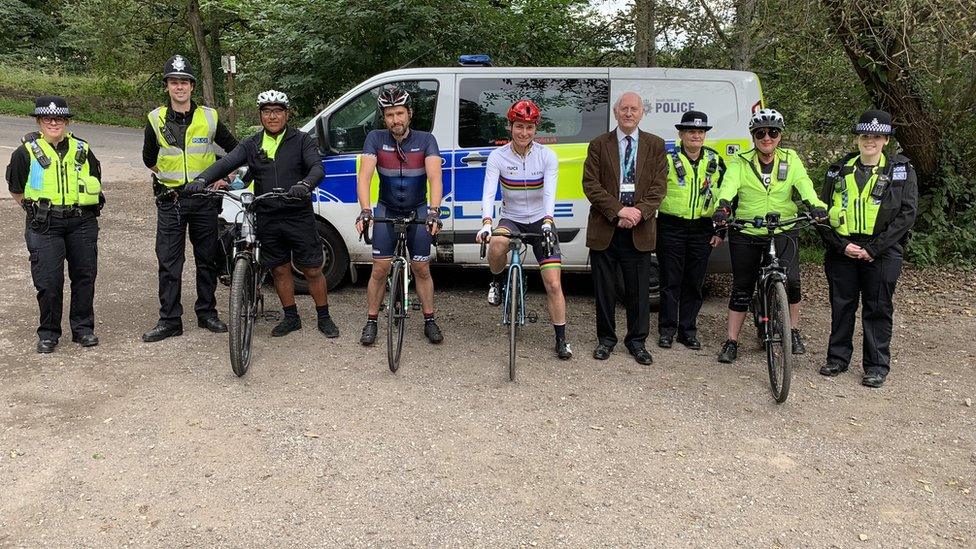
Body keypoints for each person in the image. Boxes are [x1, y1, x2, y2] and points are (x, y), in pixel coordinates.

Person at [188, 90, 338, 338]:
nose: (272, 116)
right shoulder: (252, 143)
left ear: (287, 114)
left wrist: (305, 185)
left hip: (297, 214)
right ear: (260, 115)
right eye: (267, 111)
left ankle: (324, 316)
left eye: (278, 111)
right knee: (279, 269)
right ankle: (291, 317)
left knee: (312, 269)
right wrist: (202, 178)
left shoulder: (302, 140)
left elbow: (316, 168)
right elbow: (227, 163)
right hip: (267, 215)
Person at [711, 108, 828, 363]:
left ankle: (792, 330)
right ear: (753, 136)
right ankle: (732, 341)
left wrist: (815, 204)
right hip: (747, 230)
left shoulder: (791, 159)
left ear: (780, 135)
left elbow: (804, 184)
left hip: (783, 228)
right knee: (742, 288)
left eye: (773, 132)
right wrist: (722, 207)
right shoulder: (740, 161)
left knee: (793, 282)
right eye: (761, 133)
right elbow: (728, 186)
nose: (767, 138)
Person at [816, 109, 917, 388]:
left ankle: (876, 366)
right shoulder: (838, 170)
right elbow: (820, 212)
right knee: (842, 305)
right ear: (857, 138)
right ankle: (837, 358)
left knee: (878, 308)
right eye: (864, 135)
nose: (869, 140)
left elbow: (906, 215)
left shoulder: (901, 171)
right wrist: (841, 245)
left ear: (886, 139)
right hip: (842, 249)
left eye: (876, 136)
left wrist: (873, 248)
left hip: (883, 251)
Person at [142, 54, 238, 342]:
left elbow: (235, 150)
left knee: (206, 259)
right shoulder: (155, 119)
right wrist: (170, 179)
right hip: (171, 201)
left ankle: (207, 313)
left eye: (184, 82)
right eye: (174, 82)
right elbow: (149, 159)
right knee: (169, 262)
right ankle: (170, 320)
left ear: (192, 86)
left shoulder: (209, 117)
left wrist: (225, 178)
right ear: (167, 86)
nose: (179, 87)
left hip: (204, 200)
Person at [5, 97, 103, 353]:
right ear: (39, 121)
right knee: (48, 281)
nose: (53, 123)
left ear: (66, 121)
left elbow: (95, 179)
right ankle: (48, 333)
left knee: (84, 276)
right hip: (44, 224)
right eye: (47, 118)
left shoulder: (82, 149)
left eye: (58, 118)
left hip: (82, 221)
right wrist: (37, 211)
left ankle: (83, 329)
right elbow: (16, 188)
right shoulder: (26, 152)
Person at [477, 99, 572, 360]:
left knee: (553, 283)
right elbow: (488, 192)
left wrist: (549, 220)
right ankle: (497, 282)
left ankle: (561, 339)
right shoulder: (498, 156)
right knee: (496, 244)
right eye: (519, 126)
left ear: (535, 129)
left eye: (529, 128)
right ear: (510, 126)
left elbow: (550, 192)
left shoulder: (547, 156)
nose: (524, 133)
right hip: (511, 218)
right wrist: (486, 222)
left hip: (541, 219)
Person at [582, 91, 668, 365]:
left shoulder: (655, 145)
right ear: (616, 112)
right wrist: (618, 210)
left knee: (639, 292)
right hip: (606, 227)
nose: (629, 113)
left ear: (642, 113)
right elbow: (590, 184)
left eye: (634, 109)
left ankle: (637, 342)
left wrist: (637, 213)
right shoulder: (599, 144)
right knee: (604, 290)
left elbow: (659, 187)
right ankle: (605, 340)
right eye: (624, 109)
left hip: (639, 229)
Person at [354, 87, 444, 346]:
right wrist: (366, 210)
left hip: (417, 209)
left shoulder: (426, 140)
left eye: (400, 113)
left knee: (421, 269)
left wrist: (434, 212)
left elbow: (435, 178)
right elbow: (365, 177)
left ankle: (429, 319)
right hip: (386, 209)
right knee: (380, 268)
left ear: (410, 114)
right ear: (384, 118)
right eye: (390, 114)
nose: (396, 120)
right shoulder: (374, 138)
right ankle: (372, 319)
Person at [656, 110, 726, 351]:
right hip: (670, 226)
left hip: (702, 228)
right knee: (670, 281)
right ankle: (666, 331)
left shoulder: (715, 161)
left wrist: (720, 231)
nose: (696, 136)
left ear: (705, 135)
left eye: (700, 132)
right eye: (691, 131)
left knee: (694, 282)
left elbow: (727, 199)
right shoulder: (666, 158)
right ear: (681, 134)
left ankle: (688, 331)